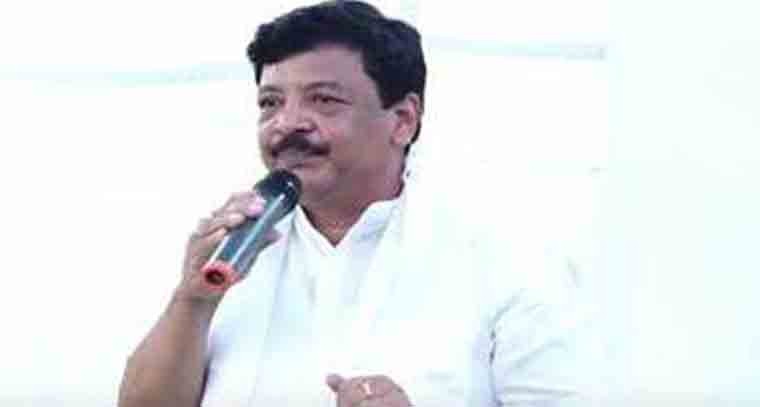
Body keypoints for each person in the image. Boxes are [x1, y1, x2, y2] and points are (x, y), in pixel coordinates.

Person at [118, 1, 590, 406]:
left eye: (323, 100)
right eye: (270, 103)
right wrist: (192, 300)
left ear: (403, 120)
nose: (287, 124)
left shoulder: (509, 257)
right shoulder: (229, 251)